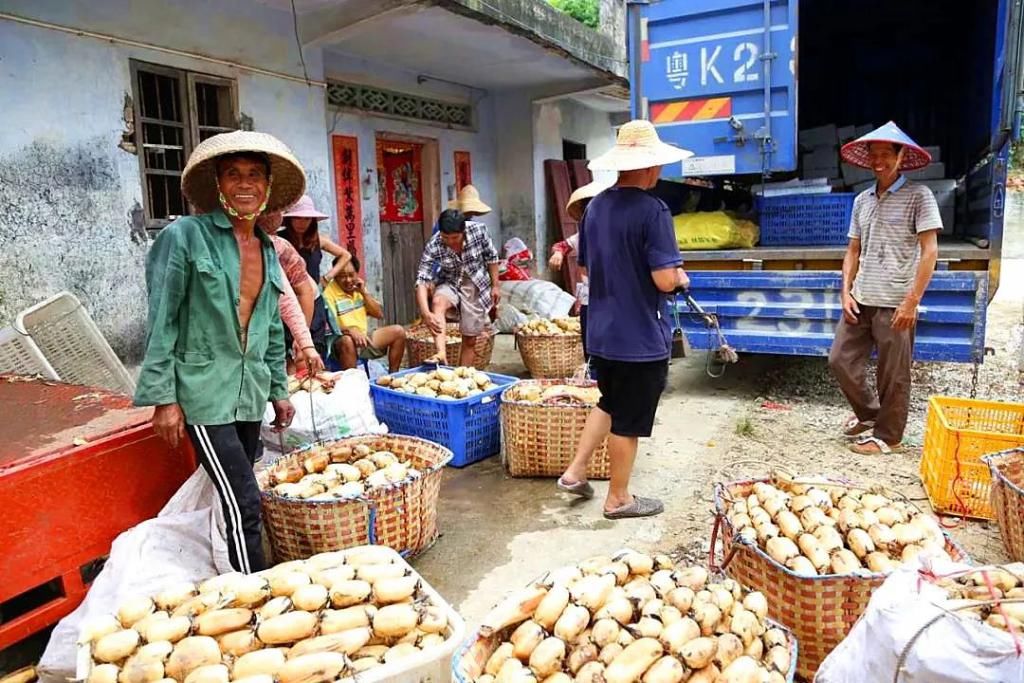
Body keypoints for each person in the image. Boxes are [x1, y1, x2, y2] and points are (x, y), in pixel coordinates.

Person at [134, 130, 304, 572]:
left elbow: (269, 327)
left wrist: (279, 389)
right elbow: (162, 318)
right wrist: (164, 398)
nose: (244, 184)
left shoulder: (268, 250)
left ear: (266, 188)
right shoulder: (185, 237)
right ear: (218, 184)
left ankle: (234, 576)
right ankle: (255, 591)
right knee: (244, 498)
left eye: (253, 175)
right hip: (204, 393)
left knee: (238, 494)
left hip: (248, 392)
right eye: (233, 175)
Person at [556, 120, 692, 520]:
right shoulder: (654, 211)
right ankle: (619, 498)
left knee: (610, 401)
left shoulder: (595, 207)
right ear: (652, 166)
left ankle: (575, 470)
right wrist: (680, 278)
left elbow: (586, 270)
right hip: (639, 334)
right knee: (629, 419)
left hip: (602, 330)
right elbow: (665, 279)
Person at [829, 122, 941, 455]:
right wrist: (845, 291)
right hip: (862, 298)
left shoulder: (920, 196)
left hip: (895, 302)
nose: (879, 162)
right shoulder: (862, 200)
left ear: (901, 156)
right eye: (873, 156)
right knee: (839, 359)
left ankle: (889, 436)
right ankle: (869, 416)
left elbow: (930, 251)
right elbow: (852, 250)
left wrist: (911, 302)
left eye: (885, 155)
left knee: (893, 375)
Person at [415, 209, 501, 366]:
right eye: (445, 237)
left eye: (455, 237)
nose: (450, 241)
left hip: (474, 283)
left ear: (463, 231)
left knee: (469, 339)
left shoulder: (479, 231)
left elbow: (492, 258)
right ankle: (441, 352)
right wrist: (425, 313)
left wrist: (495, 286)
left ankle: (462, 375)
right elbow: (422, 280)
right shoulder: (434, 244)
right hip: (450, 280)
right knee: (438, 303)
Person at [277, 195, 350, 355]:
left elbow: (345, 255)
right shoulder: (280, 241)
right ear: (290, 219)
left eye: (307, 219)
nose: (302, 223)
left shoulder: (318, 240)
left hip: (314, 299)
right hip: (289, 301)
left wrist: (328, 277)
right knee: (290, 351)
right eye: (298, 218)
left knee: (316, 347)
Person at [549, 180, 609, 374]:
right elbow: (561, 246)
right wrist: (558, 254)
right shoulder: (582, 235)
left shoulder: (616, 233)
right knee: (590, 341)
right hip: (589, 298)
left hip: (612, 297)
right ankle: (594, 376)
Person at [323, 255, 407, 373]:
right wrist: (350, 330)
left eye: (351, 275)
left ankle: (392, 377)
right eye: (342, 276)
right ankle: (355, 385)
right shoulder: (328, 293)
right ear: (335, 276)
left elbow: (378, 314)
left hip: (363, 337)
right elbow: (328, 326)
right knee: (347, 340)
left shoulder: (359, 288)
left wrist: (364, 293)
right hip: (340, 342)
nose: (347, 280)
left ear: (357, 274)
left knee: (398, 331)